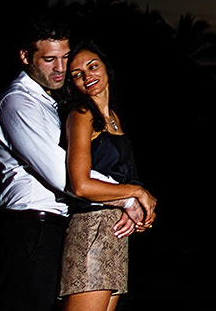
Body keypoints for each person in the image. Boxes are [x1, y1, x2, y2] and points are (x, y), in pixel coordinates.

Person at [0, 23, 139, 311]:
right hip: (31, 227)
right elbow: (67, 177)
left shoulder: (49, 101)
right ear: (25, 56)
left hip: (58, 226)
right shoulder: (19, 103)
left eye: (64, 58)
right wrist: (132, 196)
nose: (60, 68)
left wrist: (128, 198)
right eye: (50, 59)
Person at [58, 44, 158, 311]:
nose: (87, 75)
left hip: (115, 234)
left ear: (106, 69)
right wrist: (136, 195)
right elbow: (80, 185)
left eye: (92, 66)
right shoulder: (82, 115)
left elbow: (122, 178)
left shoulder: (112, 118)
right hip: (91, 229)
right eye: (77, 74)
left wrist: (139, 212)